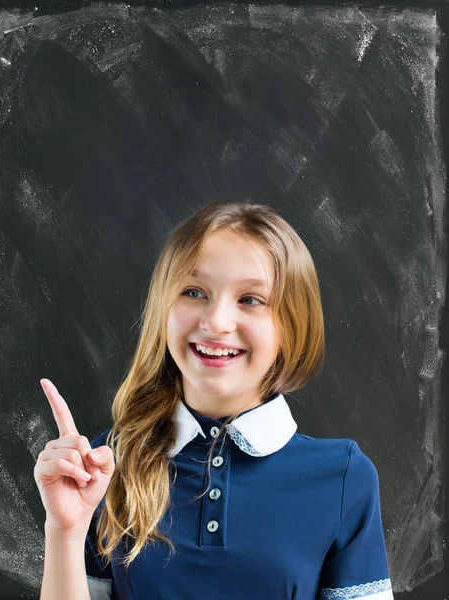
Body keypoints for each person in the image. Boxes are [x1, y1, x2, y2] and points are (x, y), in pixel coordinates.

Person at [35, 200, 394, 600]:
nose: (216, 322)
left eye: (251, 300)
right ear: (163, 309)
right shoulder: (103, 465)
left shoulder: (343, 477)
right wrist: (65, 531)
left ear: (292, 324)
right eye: (194, 292)